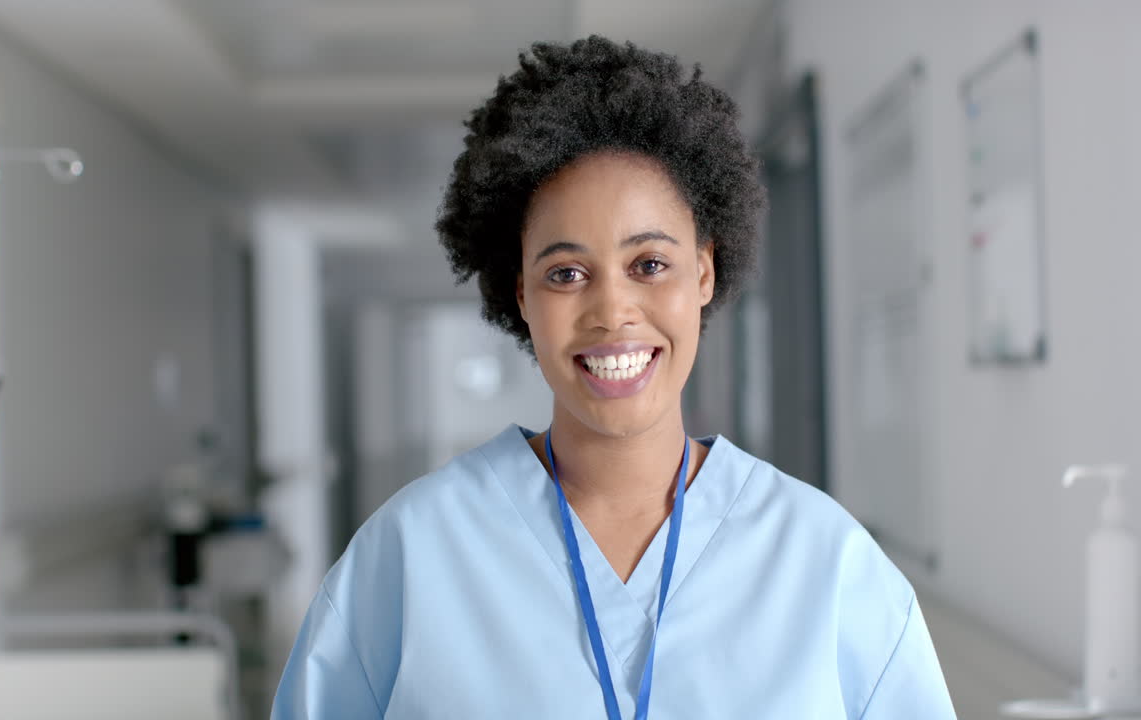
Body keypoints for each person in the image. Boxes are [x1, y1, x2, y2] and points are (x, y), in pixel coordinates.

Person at [272, 36, 956, 719]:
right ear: (520, 295)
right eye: (566, 274)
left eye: (650, 264)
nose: (612, 312)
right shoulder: (410, 556)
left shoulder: (826, 565)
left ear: (704, 272)